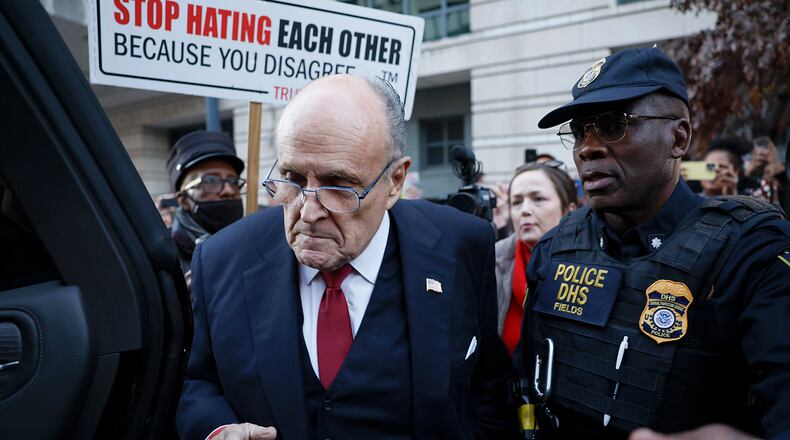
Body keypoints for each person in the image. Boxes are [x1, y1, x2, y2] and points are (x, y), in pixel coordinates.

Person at [176, 75, 514, 440]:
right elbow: (195, 382)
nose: (308, 212)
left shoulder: (462, 244)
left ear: (395, 181)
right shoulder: (221, 259)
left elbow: (488, 387)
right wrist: (217, 429)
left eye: (338, 185)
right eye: (292, 178)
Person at [517, 47, 790, 440]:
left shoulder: (751, 254)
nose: (587, 147)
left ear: (679, 138)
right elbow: (523, 382)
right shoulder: (554, 249)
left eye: (613, 125)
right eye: (579, 132)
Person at [495, 163, 577, 354]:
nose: (524, 210)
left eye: (538, 199)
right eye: (516, 202)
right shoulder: (493, 259)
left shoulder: (592, 262)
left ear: (569, 210)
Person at [166, 131, 246, 275]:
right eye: (211, 181)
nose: (229, 190)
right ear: (183, 200)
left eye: (233, 181)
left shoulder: (253, 242)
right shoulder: (166, 257)